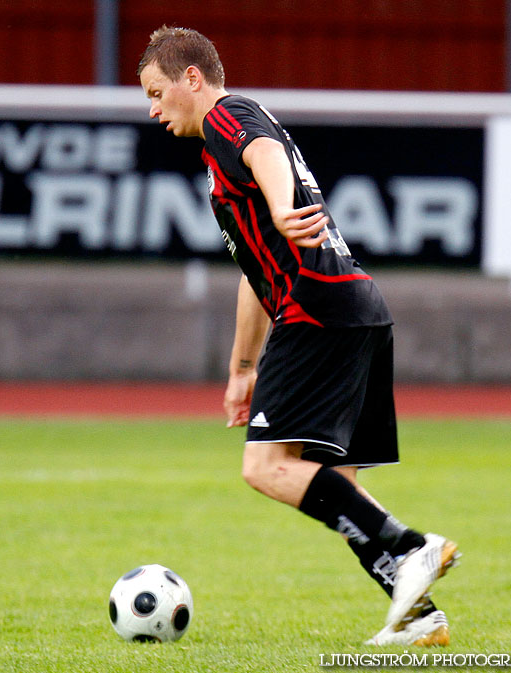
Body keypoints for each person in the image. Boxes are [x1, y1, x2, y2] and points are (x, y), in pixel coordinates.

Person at [138, 26, 459, 646]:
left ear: (192, 80)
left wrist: (283, 207)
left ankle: (415, 547)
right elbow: (253, 273)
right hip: (356, 306)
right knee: (340, 488)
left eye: (157, 92)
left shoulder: (229, 117)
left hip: (315, 311)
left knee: (265, 467)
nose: (154, 109)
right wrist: (240, 369)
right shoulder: (219, 159)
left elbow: (265, 153)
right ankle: (421, 617)